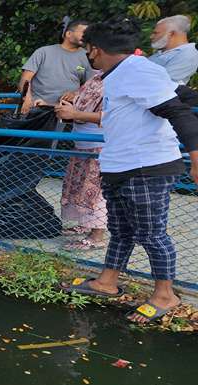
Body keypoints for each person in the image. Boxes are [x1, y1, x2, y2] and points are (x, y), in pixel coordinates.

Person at [63, 17, 198, 324]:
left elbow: (178, 111)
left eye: (88, 51)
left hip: (147, 168)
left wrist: (195, 157)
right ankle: (107, 282)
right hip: (119, 165)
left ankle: (165, 294)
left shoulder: (138, 70)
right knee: (122, 231)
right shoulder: (121, 73)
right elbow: (183, 95)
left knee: (152, 235)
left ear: (95, 51)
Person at [54, 71, 107, 251]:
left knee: (95, 190)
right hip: (83, 142)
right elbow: (84, 99)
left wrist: (74, 112)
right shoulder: (98, 76)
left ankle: (97, 235)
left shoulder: (121, 78)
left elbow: (112, 115)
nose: (90, 55)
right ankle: (85, 224)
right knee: (79, 186)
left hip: (100, 144)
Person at [19, 19, 92, 114]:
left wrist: (76, 94)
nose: (86, 36)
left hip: (68, 111)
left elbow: (90, 87)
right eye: (83, 32)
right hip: (37, 109)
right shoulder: (43, 52)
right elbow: (25, 79)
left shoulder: (88, 56)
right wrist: (27, 98)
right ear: (68, 34)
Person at [148, 15, 198, 85]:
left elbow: (159, 82)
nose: (151, 36)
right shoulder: (165, 51)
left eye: (156, 33)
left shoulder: (188, 54)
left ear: (171, 34)